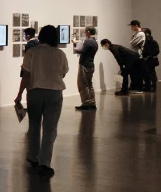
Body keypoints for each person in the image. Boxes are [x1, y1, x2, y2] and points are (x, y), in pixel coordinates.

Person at [20, 25, 69, 178]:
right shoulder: (60, 54)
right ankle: (44, 163)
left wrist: (19, 94)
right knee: (50, 129)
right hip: (54, 93)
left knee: (34, 126)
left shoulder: (32, 52)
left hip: (34, 92)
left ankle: (33, 157)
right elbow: (63, 73)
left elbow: (26, 76)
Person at [72, 26, 98, 111]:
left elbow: (82, 51)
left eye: (85, 32)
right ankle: (92, 102)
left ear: (88, 32)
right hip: (91, 64)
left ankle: (86, 103)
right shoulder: (95, 42)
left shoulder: (88, 41)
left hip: (84, 65)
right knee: (89, 85)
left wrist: (74, 45)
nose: (85, 33)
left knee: (83, 84)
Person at [14, 27, 41, 105]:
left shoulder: (30, 44)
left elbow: (29, 60)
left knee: (30, 91)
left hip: (30, 71)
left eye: (24, 35)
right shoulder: (38, 42)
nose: (24, 36)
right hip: (37, 72)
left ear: (28, 35)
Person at [128, 20, 146, 92]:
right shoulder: (135, 34)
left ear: (136, 25)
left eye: (132, 26)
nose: (131, 28)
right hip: (134, 55)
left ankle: (139, 88)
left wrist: (131, 41)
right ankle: (134, 87)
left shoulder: (141, 34)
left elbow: (132, 43)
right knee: (133, 72)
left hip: (138, 56)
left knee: (138, 73)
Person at [141, 28, 160, 92]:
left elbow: (156, 51)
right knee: (145, 74)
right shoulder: (144, 42)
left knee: (152, 74)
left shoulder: (153, 42)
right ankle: (147, 87)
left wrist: (148, 56)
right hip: (146, 60)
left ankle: (155, 87)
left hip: (151, 60)